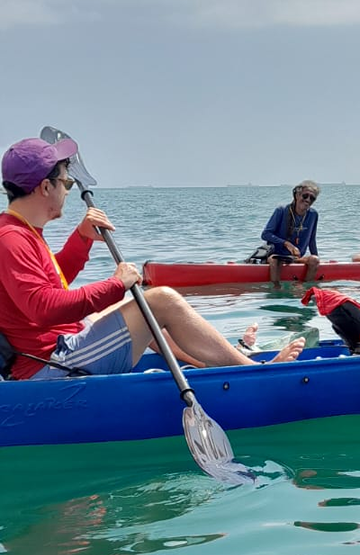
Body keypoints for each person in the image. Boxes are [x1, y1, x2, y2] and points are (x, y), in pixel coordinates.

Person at [0, 137, 305, 380]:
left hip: (53, 346)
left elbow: (50, 281)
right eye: (66, 184)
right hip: (50, 364)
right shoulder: (12, 239)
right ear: (44, 187)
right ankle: (254, 374)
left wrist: (81, 239)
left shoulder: (19, 230)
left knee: (137, 304)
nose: (67, 191)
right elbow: (43, 308)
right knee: (161, 301)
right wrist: (115, 284)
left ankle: (213, 365)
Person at [261, 180, 320, 287]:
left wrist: (317, 258)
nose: (308, 200)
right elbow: (265, 234)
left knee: (315, 260)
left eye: (312, 198)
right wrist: (287, 244)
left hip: (296, 258)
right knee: (275, 261)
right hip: (276, 255)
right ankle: (276, 290)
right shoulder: (281, 210)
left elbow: (312, 239)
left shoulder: (313, 215)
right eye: (305, 196)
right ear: (297, 195)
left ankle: (304, 289)